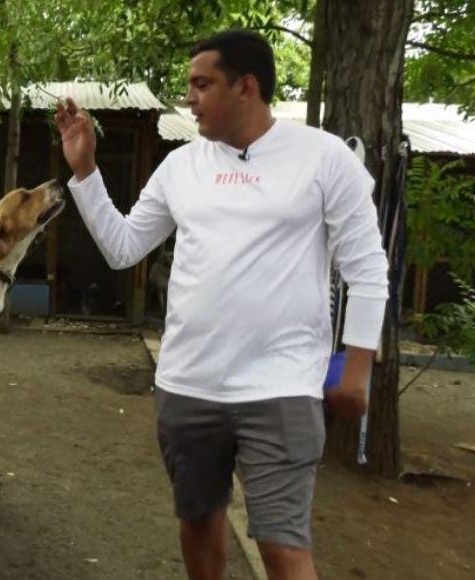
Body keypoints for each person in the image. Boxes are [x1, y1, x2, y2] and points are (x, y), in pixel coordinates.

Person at [54, 29, 389, 580]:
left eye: (201, 83)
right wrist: (85, 171)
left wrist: (357, 370)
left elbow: (367, 267)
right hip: (189, 386)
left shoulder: (324, 158)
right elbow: (123, 248)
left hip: (280, 387)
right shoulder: (181, 166)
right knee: (199, 526)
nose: (189, 97)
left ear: (246, 87)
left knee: (283, 547)